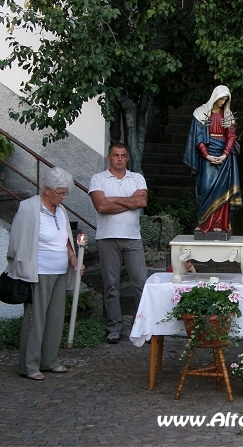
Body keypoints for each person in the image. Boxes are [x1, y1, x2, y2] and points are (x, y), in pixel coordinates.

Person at [6, 167, 84, 380]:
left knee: (56, 318)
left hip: (59, 271)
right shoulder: (29, 207)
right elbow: (16, 241)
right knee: (36, 319)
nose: (63, 197)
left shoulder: (60, 210)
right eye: (60, 193)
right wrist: (20, 267)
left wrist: (73, 257)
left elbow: (65, 237)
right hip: (37, 273)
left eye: (65, 193)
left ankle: (49, 360)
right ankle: (29, 365)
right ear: (47, 189)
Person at [89, 143, 148, 344]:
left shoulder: (137, 178)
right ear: (109, 157)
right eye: (116, 155)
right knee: (111, 285)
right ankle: (114, 327)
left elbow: (142, 203)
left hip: (133, 238)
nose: (120, 159)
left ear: (128, 158)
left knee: (140, 283)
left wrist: (114, 200)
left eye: (123, 155)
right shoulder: (98, 179)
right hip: (107, 238)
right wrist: (129, 200)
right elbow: (101, 206)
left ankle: (143, 327)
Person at [183, 85, 242, 233]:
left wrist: (224, 154)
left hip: (224, 157)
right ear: (215, 97)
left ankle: (219, 224)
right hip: (207, 157)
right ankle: (204, 223)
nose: (223, 102)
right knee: (206, 187)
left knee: (222, 189)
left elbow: (231, 136)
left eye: (225, 99)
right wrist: (206, 155)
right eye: (221, 98)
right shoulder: (201, 113)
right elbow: (198, 136)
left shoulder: (228, 116)